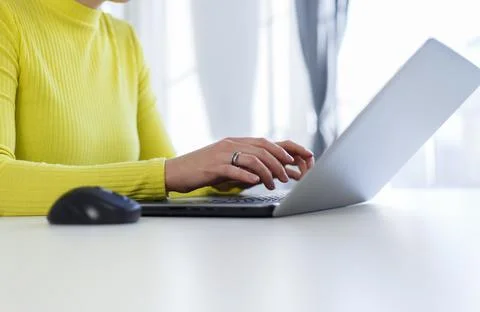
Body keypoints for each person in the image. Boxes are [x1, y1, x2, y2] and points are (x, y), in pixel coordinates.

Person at [0, 0, 314, 216]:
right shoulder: (7, 19)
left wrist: (218, 176)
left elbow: (168, 183)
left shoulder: (125, 42)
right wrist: (168, 172)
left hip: (119, 269)